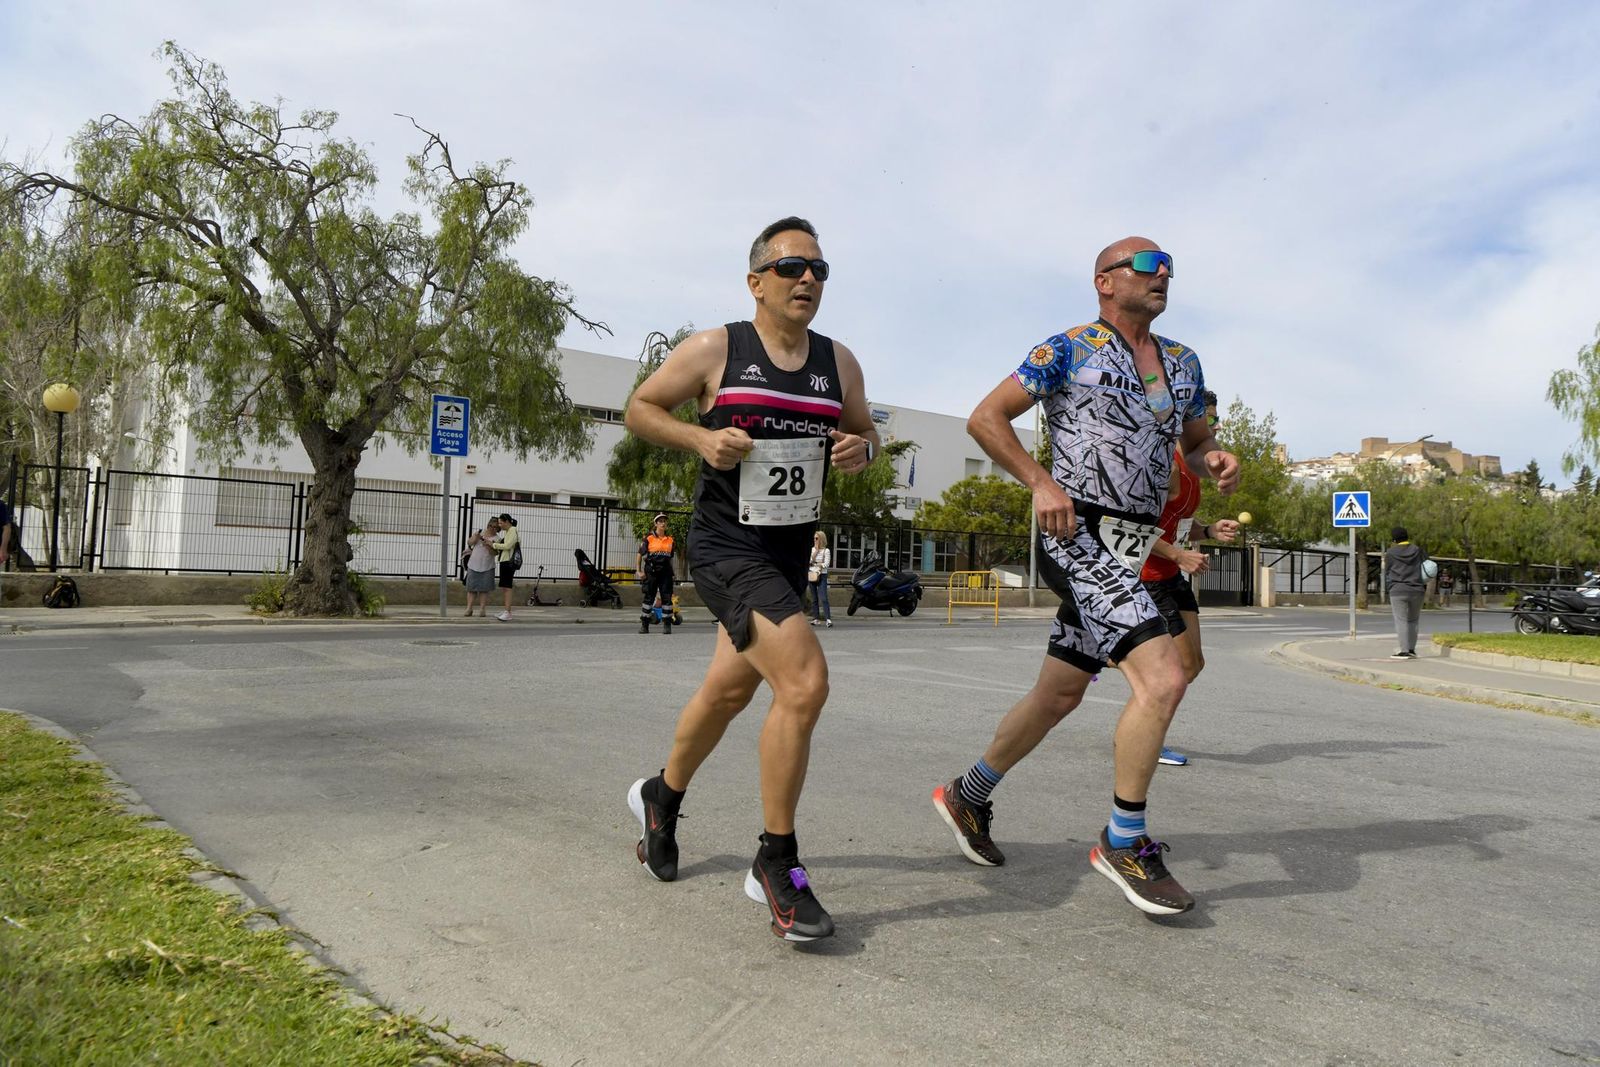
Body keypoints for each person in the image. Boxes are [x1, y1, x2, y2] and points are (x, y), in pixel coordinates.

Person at [930, 237, 1238, 917]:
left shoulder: (1183, 362)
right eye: (1149, 266)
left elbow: (1193, 438)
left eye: (1171, 270)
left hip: (1131, 543)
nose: (1164, 278)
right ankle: (1124, 839)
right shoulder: (1066, 348)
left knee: (1059, 693)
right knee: (1164, 677)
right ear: (1104, 279)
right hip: (1075, 533)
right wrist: (1039, 482)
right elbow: (986, 418)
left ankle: (967, 793)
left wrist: (1214, 455)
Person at [623, 216, 879, 943]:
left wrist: (862, 448)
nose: (808, 281)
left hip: (789, 552)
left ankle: (660, 799)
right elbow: (639, 408)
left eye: (820, 271)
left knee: (729, 689)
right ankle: (777, 861)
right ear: (757, 280)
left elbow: (864, 433)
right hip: (725, 545)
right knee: (802, 680)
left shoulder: (840, 362)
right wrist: (702, 436)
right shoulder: (717, 348)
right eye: (794, 267)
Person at [1136, 390, 1240, 767]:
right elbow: (1135, 529)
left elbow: (1177, 526)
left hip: (1171, 574)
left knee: (1193, 665)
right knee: (1169, 672)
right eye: (1209, 419)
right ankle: (1146, 736)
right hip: (1147, 576)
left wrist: (1210, 530)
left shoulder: (1194, 472)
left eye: (1214, 419)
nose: (1214, 426)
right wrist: (1179, 555)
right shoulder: (1164, 465)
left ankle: (1120, 658)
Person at [1385, 527, 1428, 658]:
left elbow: (1387, 570)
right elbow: (1427, 565)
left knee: (1401, 621)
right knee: (1413, 620)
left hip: (1398, 590)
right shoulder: (1418, 550)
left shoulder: (1391, 553)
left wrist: (1390, 585)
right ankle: (1412, 650)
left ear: (1394, 539)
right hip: (1417, 589)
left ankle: (1404, 651)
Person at [636, 513, 676, 635]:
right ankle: (645, 625)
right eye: (660, 521)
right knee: (649, 597)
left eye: (664, 521)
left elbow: (670, 559)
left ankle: (667, 625)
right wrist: (639, 571)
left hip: (666, 573)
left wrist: (673, 573)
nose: (663, 523)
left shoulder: (671, 540)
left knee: (667, 598)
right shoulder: (648, 539)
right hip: (651, 572)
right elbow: (639, 555)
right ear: (655, 524)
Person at [463, 518, 499, 617]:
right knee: (471, 589)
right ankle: (469, 608)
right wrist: (475, 538)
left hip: (487, 566)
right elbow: (470, 542)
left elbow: (495, 553)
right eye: (491, 526)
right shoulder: (480, 532)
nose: (492, 528)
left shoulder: (497, 539)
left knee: (484, 589)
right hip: (473, 564)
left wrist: (487, 545)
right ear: (488, 525)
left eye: (495, 527)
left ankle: (482, 609)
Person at [489, 513, 519, 622]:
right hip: (504, 561)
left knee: (507, 587)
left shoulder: (512, 530)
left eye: (501, 523)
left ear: (507, 522)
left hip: (508, 562)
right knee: (505, 587)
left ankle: (508, 612)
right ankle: (506, 610)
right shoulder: (508, 532)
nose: (499, 525)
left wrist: (493, 545)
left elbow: (507, 546)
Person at [806, 530, 833, 627]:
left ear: (821, 539)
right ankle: (816, 618)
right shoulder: (812, 550)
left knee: (824, 598)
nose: (814, 540)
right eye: (814, 538)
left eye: (816, 538)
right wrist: (816, 552)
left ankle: (828, 619)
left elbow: (826, 564)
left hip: (822, 575)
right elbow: (809, 562)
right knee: (814, 599)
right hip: (812, 575)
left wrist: (815, 564)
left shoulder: (826, 551)